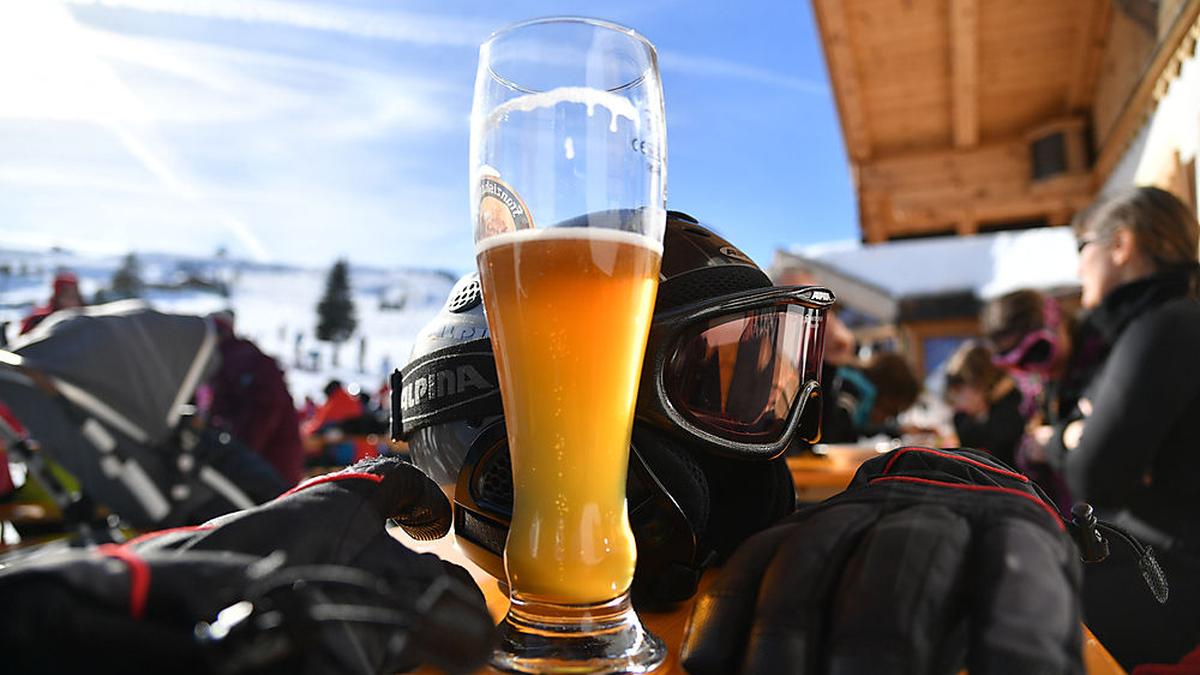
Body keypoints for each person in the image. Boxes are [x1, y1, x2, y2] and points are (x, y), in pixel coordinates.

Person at [1039, 186, 1200, 668]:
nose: (1077, 266)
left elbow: (1095, 478)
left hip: (1174, 571)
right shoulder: (1167, 323)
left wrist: (1065, 440)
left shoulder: (1165, 328)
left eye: (1082, 247)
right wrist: (1081, 436)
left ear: (1121, 245)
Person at [206, 313, 304, 486]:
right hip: (267, 463)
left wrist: (240, 454)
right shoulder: (232, 360)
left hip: (269, 465)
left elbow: (266, 409)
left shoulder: (243, 361)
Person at [943, 341, 1025, 468]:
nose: (954, 397)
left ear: (980, 384)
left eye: (959, 389)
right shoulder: (962, 419)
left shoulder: (1014, 409)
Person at [821, 349, 922, 443]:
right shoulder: (849, 391)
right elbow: (837, 437)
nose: (884, 420)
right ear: (885, 395)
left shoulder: (856, 383)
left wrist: (898, 431)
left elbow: (860, 430)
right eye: (890, 411)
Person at [19, 271, 84, 336]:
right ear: (57, 296)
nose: (71, 300)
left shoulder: (86, 321)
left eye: (74, 295)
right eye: (66, 295)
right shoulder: (38, 320)